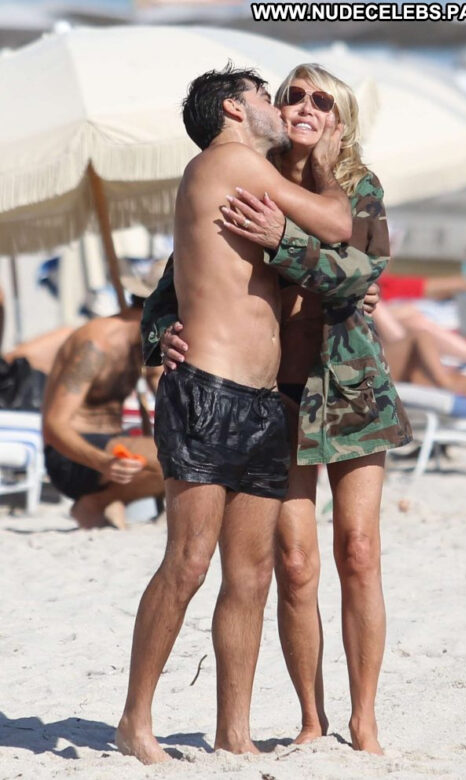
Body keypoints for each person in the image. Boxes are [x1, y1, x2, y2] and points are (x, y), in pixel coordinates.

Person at [141, 63, 411, 757]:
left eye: (323, 100)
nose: (304, 106)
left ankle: (365, 720)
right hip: (272, 392)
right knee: (291, 562)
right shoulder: (245, 172)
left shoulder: (357, 183)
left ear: (340, 119)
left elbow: (362, 271)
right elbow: (177, 278)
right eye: (292, 95)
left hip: (347, 386)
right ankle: (311, 719)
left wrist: (284, 240)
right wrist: (161, 333)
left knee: (358, 550)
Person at [42, 266, 165, 530]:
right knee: (180, 455)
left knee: (193, 451)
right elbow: (53, 425)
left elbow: (162, 389)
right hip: (73, 457)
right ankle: (98, 502)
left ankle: (102, 502)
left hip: (112, 448)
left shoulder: (145, 342)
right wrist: (103, 462)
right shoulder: (96, 346)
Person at [373, 301, 466, 398]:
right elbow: (420, 336)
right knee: (451, 380)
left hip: (382, 369)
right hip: (380, 373)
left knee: (455, 380)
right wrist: (444, 380)